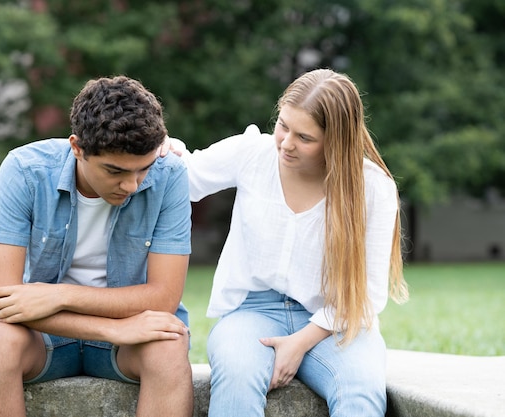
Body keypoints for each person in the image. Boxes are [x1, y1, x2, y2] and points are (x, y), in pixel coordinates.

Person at [174, 68, 409, 416]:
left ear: (336, 140)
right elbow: (185, 177)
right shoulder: (252, 154)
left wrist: (300, 343)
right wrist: (161, 147)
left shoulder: (373, 188)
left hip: (336, 322)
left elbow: (369, 294)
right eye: (283, 125)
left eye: (305, 137)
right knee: (237, 379)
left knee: (360, 389)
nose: (286, 143)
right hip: (251, 312)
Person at [0, 76, 193, 417]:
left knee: (168, 346)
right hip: (41, 335)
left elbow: (163, 298)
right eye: (114, 171)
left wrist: (60, 295)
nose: (131, 185)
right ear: (77, 147)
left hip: (127, 342)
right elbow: (1, 301)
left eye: (142, 169)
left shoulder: (170, 174)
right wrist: (109, 327)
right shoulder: (24, 170)